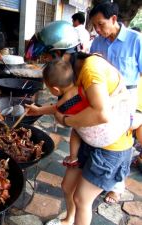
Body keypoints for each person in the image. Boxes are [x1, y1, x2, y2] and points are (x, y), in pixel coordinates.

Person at [24, 21, 133, 225]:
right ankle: (68, 220)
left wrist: (65, 120)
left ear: (59, 53)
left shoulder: (90, 69)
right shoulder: (73, 69)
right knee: (67, 187)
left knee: (82, 199)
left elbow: (101, 114)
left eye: (47, 57)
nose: (47, 62)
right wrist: (41, 110)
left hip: (111, 148)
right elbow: (69, 104)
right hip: (89, 141)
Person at [89, 1, 142, 204]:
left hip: (126, 98)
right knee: (100, 136)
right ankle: (98, 176)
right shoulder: (97, 43)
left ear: (113, 19)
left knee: (122, 142)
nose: (98, 30)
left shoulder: (136, 40)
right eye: (94, 26)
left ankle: (117, 186)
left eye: (101, 24)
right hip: (101, 96)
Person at [43, 59, 142, 167]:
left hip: (92, 140)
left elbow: (55, 111)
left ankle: (73, 157)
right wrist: (122, 95)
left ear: (55, 90)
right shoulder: (85, 90)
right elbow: (106, 104)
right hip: (113, 132)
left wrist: (50, 114)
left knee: (75, 129)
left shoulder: (62, 105)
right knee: (130, 118)